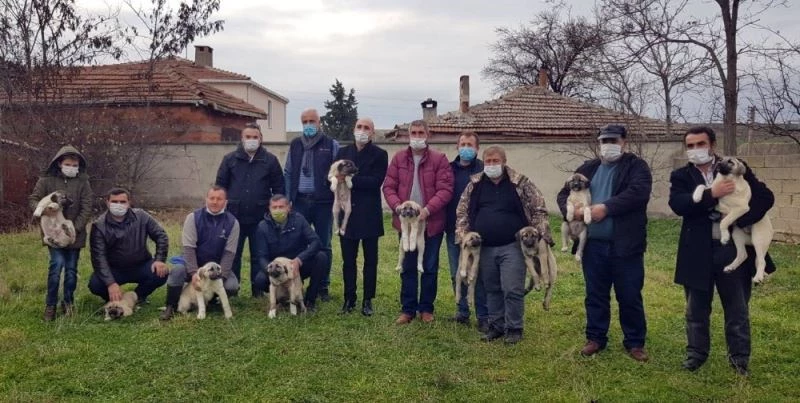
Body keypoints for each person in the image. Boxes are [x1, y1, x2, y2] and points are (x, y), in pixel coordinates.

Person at [668, 126, 775, 376]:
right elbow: (679, 204)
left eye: (700, 144)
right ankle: (696, 354)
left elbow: (765, 197)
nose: (695, 150)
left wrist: (741, 219)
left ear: (712, 145)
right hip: (697, 251)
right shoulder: (681, 176)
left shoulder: (736, 167)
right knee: (696, 309)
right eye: (690, 145)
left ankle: (739, 359)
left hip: (730, 250)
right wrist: (711, 194)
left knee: (737, 308)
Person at [556, 124, 652, 362]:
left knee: (629, 295)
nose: (608, 145)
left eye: (613, 140)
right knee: (595, 294)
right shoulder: (588, 167)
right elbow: (562, 194)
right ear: (599, 143)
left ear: (623, 142)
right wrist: (572, 213)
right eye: (604, 141)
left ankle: (635, 342)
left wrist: (606, 209)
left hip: (626, 244)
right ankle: (596, 338)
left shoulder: (636, 166)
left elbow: (638, 193)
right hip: (593, 245)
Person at [455, 146, 550, 344]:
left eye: (495, 161)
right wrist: (463, 237)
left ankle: (514, 327)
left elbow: (539, 208)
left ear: (504, 161)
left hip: (513, 246)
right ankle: (496, 325)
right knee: (492, 288)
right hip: (484, 246)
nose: (491, 165)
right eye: (488, 161)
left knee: (512, 288)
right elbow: (462, 212)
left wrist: (539, 235)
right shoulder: (475, 184)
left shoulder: (521, 183)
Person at [382, 119, 453, 324]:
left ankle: (426, 309)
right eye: (414, 132)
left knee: (429, 267)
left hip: (431, 222)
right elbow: (389, 187)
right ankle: (408, 309)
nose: (417, 136)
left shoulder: (439, 159)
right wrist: (398, 207)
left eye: (421, 132)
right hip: (406, 222)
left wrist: (428, 210)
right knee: (408, 266)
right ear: (408, 135)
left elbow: (445, 189)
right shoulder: (398, 159)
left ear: (428, 135)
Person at [215, 122, 284, 296]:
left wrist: (273, 211)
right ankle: (233, 288)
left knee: (258, 254)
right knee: (233, 254)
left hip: (260, 217)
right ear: (242, 138)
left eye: (255, 137)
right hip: (234, 216)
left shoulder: (270, 160)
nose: (251, 140)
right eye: (248, 137)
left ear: (261, 139)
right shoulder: (230, 159)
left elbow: (279, 189)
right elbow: (220, 187)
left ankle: (258, 290)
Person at [29, 145, 93, 321]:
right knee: (56, 267)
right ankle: (50, 305)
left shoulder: (83, 183)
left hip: (74, 236)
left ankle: (68, 302)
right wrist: (43, 210)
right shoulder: (45, 181)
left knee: (71, 270)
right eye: (68, 164)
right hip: (52, 234)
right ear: (59, 163)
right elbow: (34, 200)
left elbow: (87, 207)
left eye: (75, 164)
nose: (72, 167)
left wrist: (73, 229)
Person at [160, 185, 240, 320]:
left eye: (219, 199)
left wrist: (222, 276)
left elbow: (229, 253)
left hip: (216, 267)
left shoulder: (233, 223)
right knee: (177, 272)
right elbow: (188, 249)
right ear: (206, 199)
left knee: (232, 286)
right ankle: (171, 306)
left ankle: (212, 301)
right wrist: (193, 273)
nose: (215, 202)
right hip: (194, 263)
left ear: (226, 202)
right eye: (212, 198)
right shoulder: (193, 218)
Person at [284, 108, 339, 302]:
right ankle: (297, 282)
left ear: (319, 122)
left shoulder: (331, 145)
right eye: (305, 122)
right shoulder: (295, 144)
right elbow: (289, 172)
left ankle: (323, 286)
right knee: (299, 243)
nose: (308, 125)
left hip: (323, 202)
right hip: (299, 201)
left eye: (312, 121)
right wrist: (287, 199)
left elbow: (337, 172)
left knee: (324, 244)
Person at [334, 117, 388, 316]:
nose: (362, 130)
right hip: (346, 214)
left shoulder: (380, 154)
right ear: (353, 129)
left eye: (367, 128)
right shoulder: (342, 152)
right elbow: (334, 176)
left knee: (370, 260)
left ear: (372, 133)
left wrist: (349, 178)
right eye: (359, 126)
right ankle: (349, 299)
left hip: (369, 214)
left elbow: (375, 181)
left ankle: (367, 300)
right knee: (348, 261)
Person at [88, 188, 169, 303]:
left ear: (129, 202)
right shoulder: (99, 226)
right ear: (107, 202)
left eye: (122, 202)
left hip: (141, 265)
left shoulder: (141, 216)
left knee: (161, 273)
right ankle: (114, 298)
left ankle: (137, 297)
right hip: (115, 269)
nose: (118, 205)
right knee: (95, 284)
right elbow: (98, 257)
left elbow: (161, 235)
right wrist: (110, 283)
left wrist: (159, 259)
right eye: (114, 202)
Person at [252, 194, 326, 311]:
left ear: (289, 207)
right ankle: (279, 298)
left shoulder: (299, 220)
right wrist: (271, 271)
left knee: (321, 257)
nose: (278, 210)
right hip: (277, 269)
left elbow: (316, 242)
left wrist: (299, 260)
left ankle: (310, 300)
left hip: (297, 267)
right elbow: (261, 256)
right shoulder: (262, 227)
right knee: (259, 281)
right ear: (269, 209)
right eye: (274, 207)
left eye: (281, 207)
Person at [444, 131, 488, 331]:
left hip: (477, 232)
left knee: (476, 274)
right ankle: (462, 311)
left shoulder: (484, 169)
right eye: (463, 144)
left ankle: (483, 315)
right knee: (457, 272)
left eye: (470, 144)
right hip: (453, 230)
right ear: (457, 146)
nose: (466, 148)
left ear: (477, 148)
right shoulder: (449, 169)